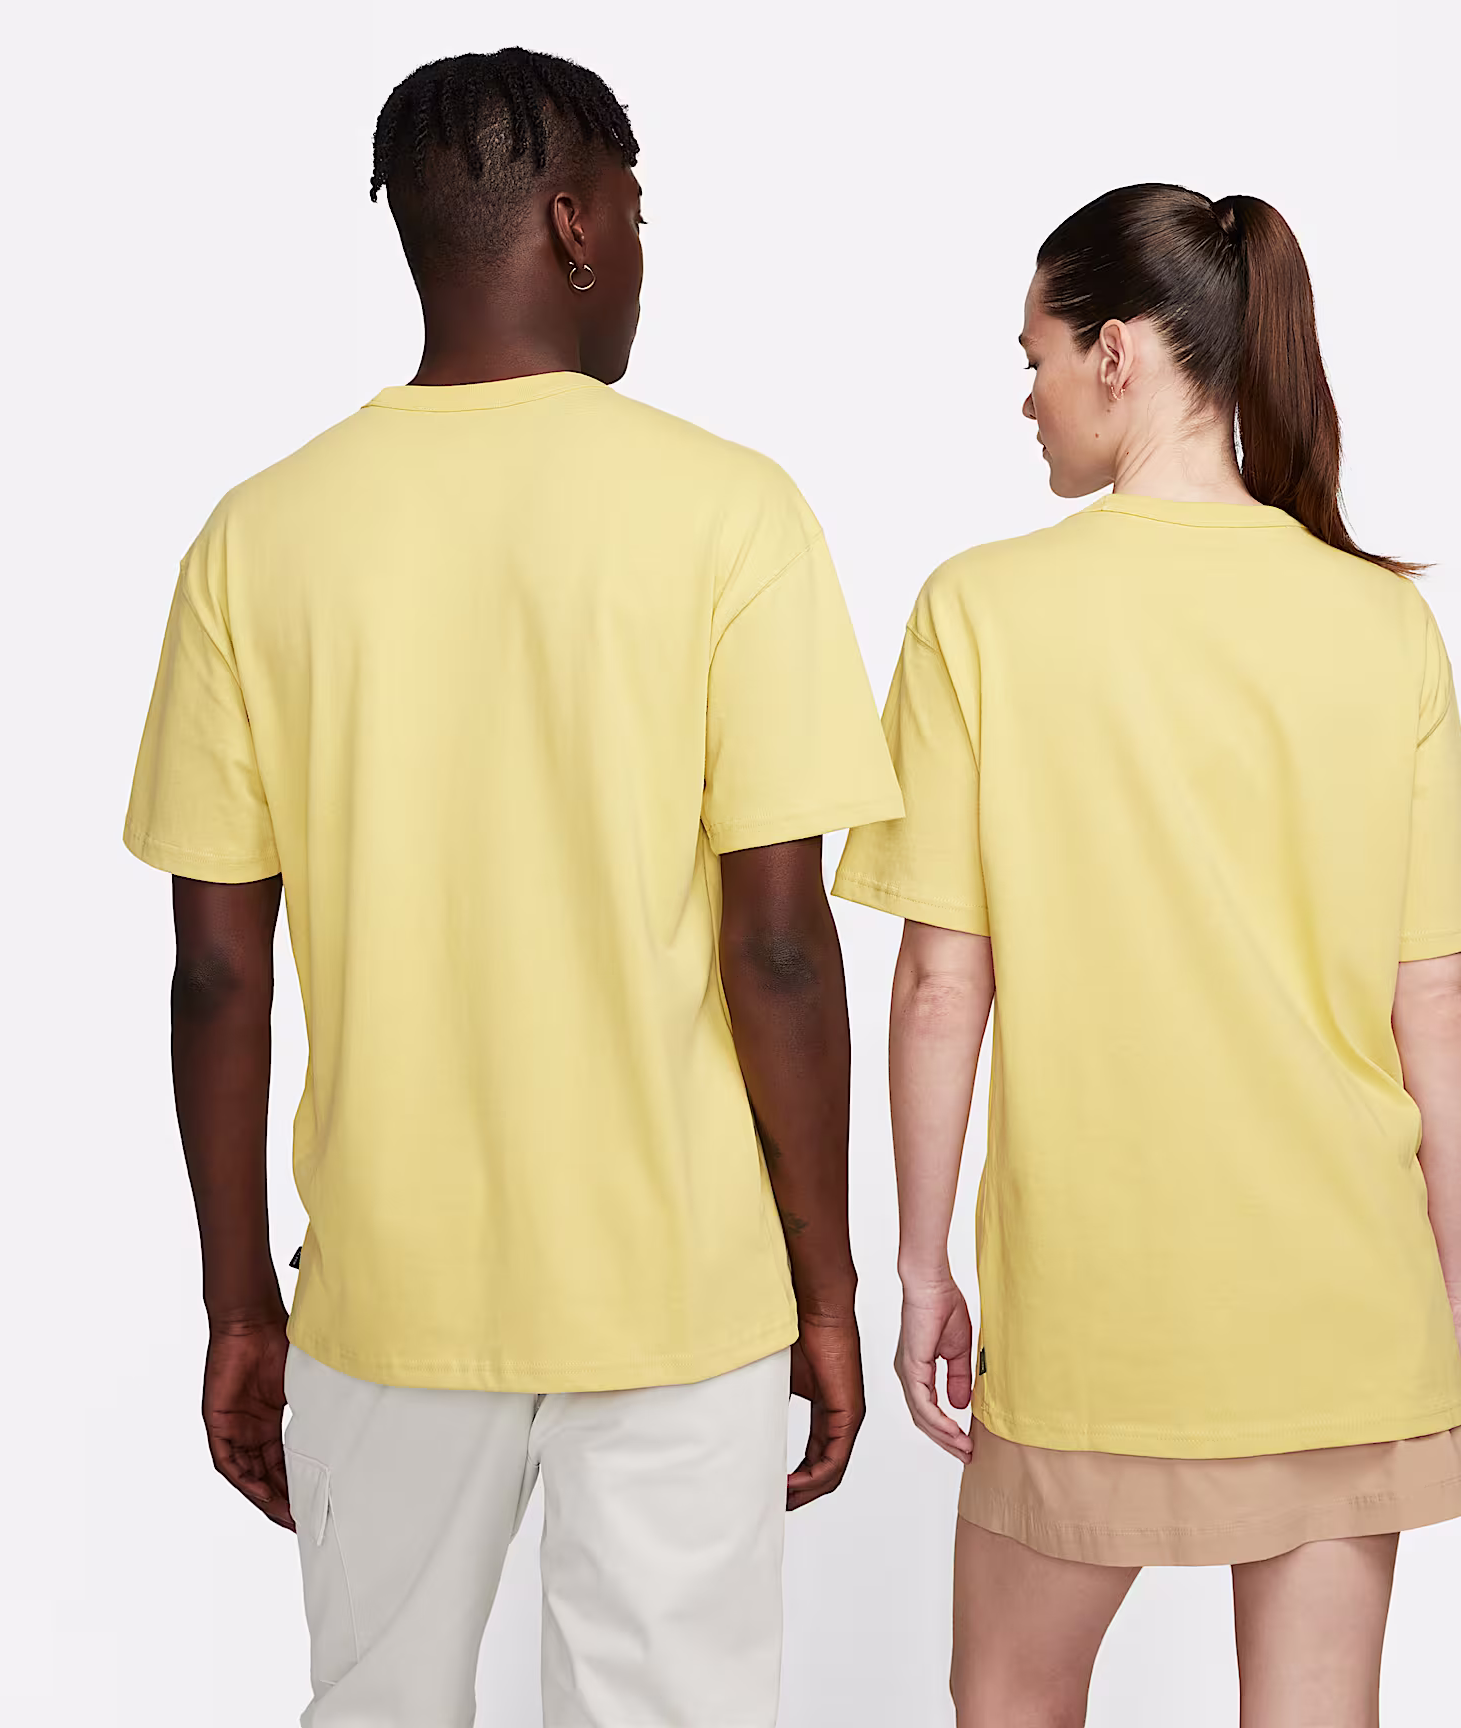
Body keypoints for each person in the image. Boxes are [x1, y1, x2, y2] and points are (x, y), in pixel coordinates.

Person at [124, 47, 901, 1728]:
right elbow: (778, 949)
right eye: (634, 208)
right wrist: (828, 1287)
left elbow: (216, 976)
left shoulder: (256, 540)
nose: (640, 245)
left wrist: (241, 1302)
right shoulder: (732, 514)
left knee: (377, 1705)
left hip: (387, 1286)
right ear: (571, 223)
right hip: (679, 1280)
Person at [834, 183, 1461, 1727]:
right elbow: (1437, 994)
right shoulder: (1377, 623)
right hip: (1347, 1290)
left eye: (1036, 358)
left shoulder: (980, 612)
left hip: (1098, 1296)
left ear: (1117, 351)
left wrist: (922, 1269)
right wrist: (1455, 1284)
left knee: (1011, 1697)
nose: (1028, 397)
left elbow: (941, 984)